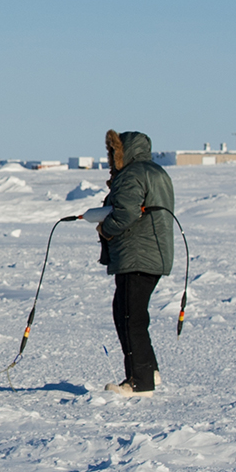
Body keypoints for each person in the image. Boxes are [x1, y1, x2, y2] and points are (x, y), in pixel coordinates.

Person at [86, 129, 175, 396]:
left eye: (114, 153)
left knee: (129, 317)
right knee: (132, 314)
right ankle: (149, 371)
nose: (112, 159)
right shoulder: (156, 172)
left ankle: (139, 382)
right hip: (153, 253)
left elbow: (125, 213)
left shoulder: (132, 175)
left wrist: (106, 229)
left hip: (136, 255)